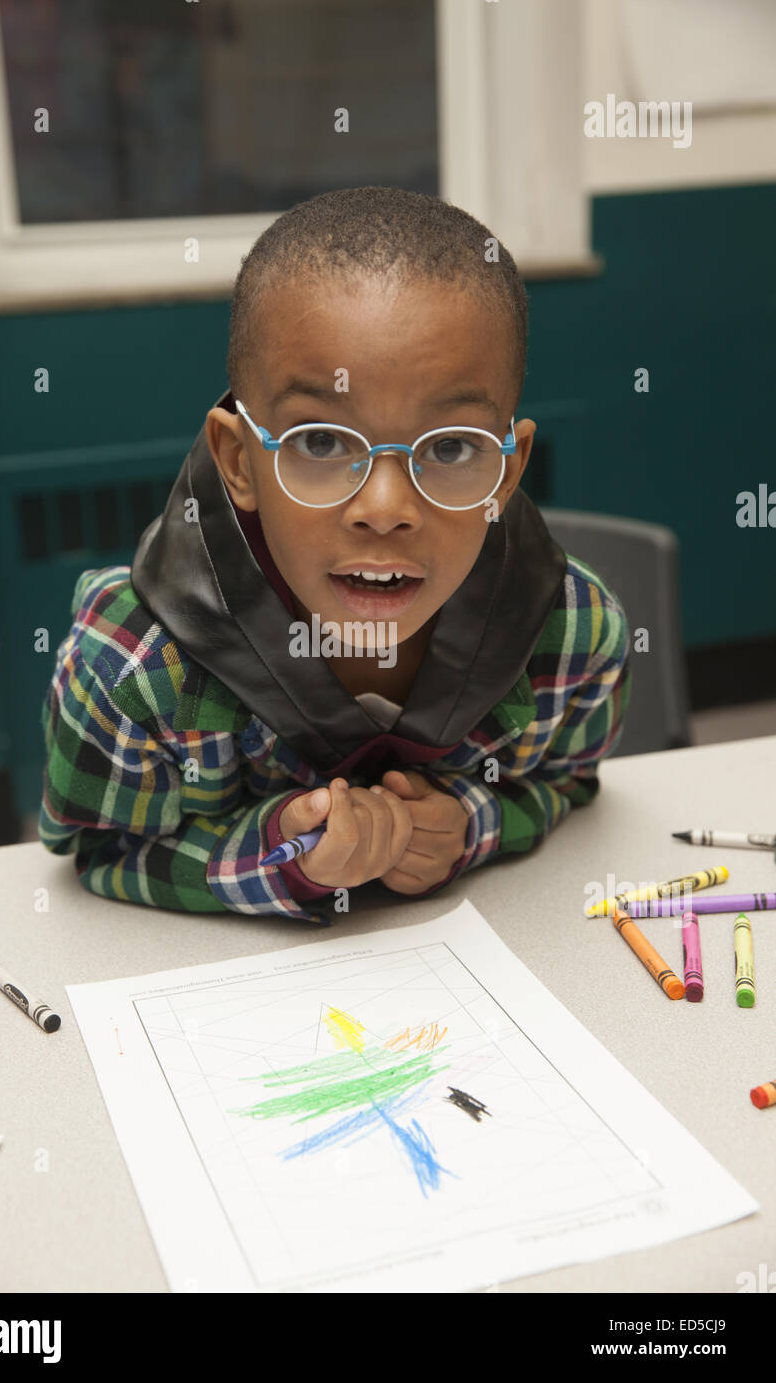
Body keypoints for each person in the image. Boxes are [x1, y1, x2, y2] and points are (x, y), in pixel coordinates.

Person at [39, 186, 630, 922]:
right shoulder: (131, 667)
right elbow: (99, 852)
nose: (385, 510)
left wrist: (473, 825)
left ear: (507, 474)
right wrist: (273, 855)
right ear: (239, 461)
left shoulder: (573, 634)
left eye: (450, 447)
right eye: (320, 442)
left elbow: (568, 784)